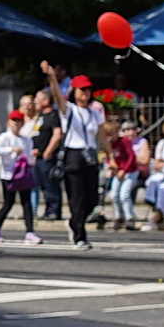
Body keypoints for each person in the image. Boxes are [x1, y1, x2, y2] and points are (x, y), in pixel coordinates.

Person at [41, 63, 106, 249]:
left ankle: (75, 223)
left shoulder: (95, 113)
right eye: (82, 89)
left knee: (92, 199)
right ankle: (80, 235)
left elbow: (101, 135)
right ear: (74, 91)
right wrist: (52, 76)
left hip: (90, 155)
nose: (86, 92)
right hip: (73, 156)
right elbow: (55, 95)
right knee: (76, 198)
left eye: (88, 89)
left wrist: (111, 156)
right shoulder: (69, 110)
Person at [0, 109, 39, 244]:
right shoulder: (5, 137)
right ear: (8, 122)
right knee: (8, 204)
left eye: (18, 120)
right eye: (13, 120)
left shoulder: (26, 140)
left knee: (26, 203)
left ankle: (30, 231)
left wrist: (32, 156)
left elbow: (28, 158)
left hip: (23, 174)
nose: (16, 123)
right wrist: (11, 150)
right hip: (9, 174)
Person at [105, 119, 149, 230]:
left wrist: (123, 170)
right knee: (114, 194)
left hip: (130, 171)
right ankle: (118, 216)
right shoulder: (110, 144)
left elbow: (131, 157)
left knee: (124, 195)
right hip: (118, 172)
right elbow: (109, 157)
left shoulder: (124, 141)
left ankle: (129, 217)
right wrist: (111, 167)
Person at [33, 89, 63, 221]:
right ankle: (47, 210)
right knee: (43, 186)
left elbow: (57, 134)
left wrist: (48, 151)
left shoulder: (53, 115)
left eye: (38, 99)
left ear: (46, 101)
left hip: (48, 157)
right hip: (37, 157)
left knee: (51, 185)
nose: (35, 102)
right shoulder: (40, 117)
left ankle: (54, 211)